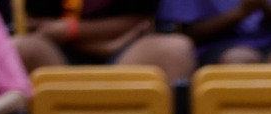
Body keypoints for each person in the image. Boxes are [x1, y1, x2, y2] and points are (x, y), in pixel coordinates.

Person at [13, 0, 196, 83]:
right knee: (20, 49)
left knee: (175, 49)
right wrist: (106, 46)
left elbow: (138, 21)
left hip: (128, 54)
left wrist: (69, 30)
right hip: (58, 57)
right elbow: (38, 29)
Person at [161, 0, 271, 65]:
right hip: (213, 48)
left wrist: (265, 7)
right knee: (240, 58)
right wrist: (240, 13)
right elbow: (190, 35)